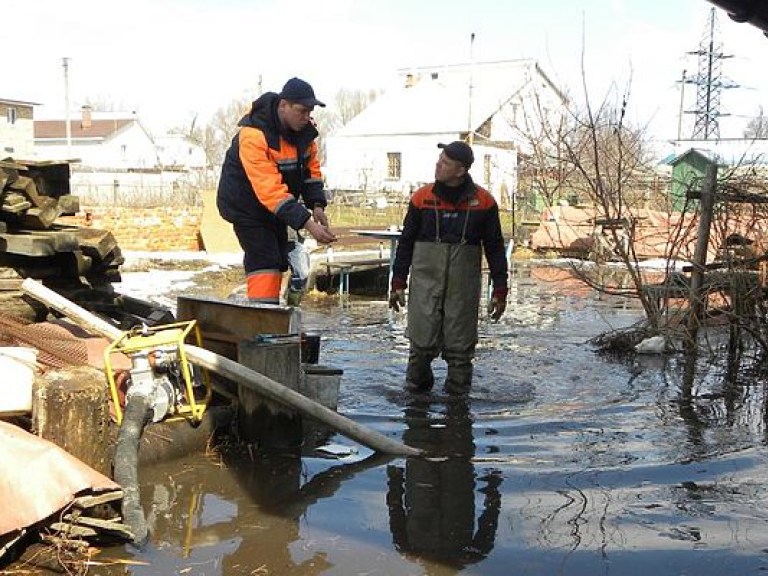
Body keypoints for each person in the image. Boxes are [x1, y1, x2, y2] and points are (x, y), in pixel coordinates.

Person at [388, 141, 508, 395]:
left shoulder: (484, 202)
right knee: (419, 347)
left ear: (460, 170)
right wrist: (398, 282)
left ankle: (458, 410)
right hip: (425, 284)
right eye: (439, 159)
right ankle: (416, 404)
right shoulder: (421, 199)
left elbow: (495, 248)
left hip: (462, 289)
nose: (438, 165)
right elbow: (406, 243)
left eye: (445, 163)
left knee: (460, 351)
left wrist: (500, 289)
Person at [217, 77, 336, 303]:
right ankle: (264, 320)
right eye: (301, 111)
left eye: (310, 111)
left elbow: (311, 170)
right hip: (246, 205)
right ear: (283, 106)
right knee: (265, 260)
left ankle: (281, 313)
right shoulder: (253, 135)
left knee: (283, 259)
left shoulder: (305, 133)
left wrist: (317, 205)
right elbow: (269, 190)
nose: (307, 117)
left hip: (275, 208)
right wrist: (308, 224)